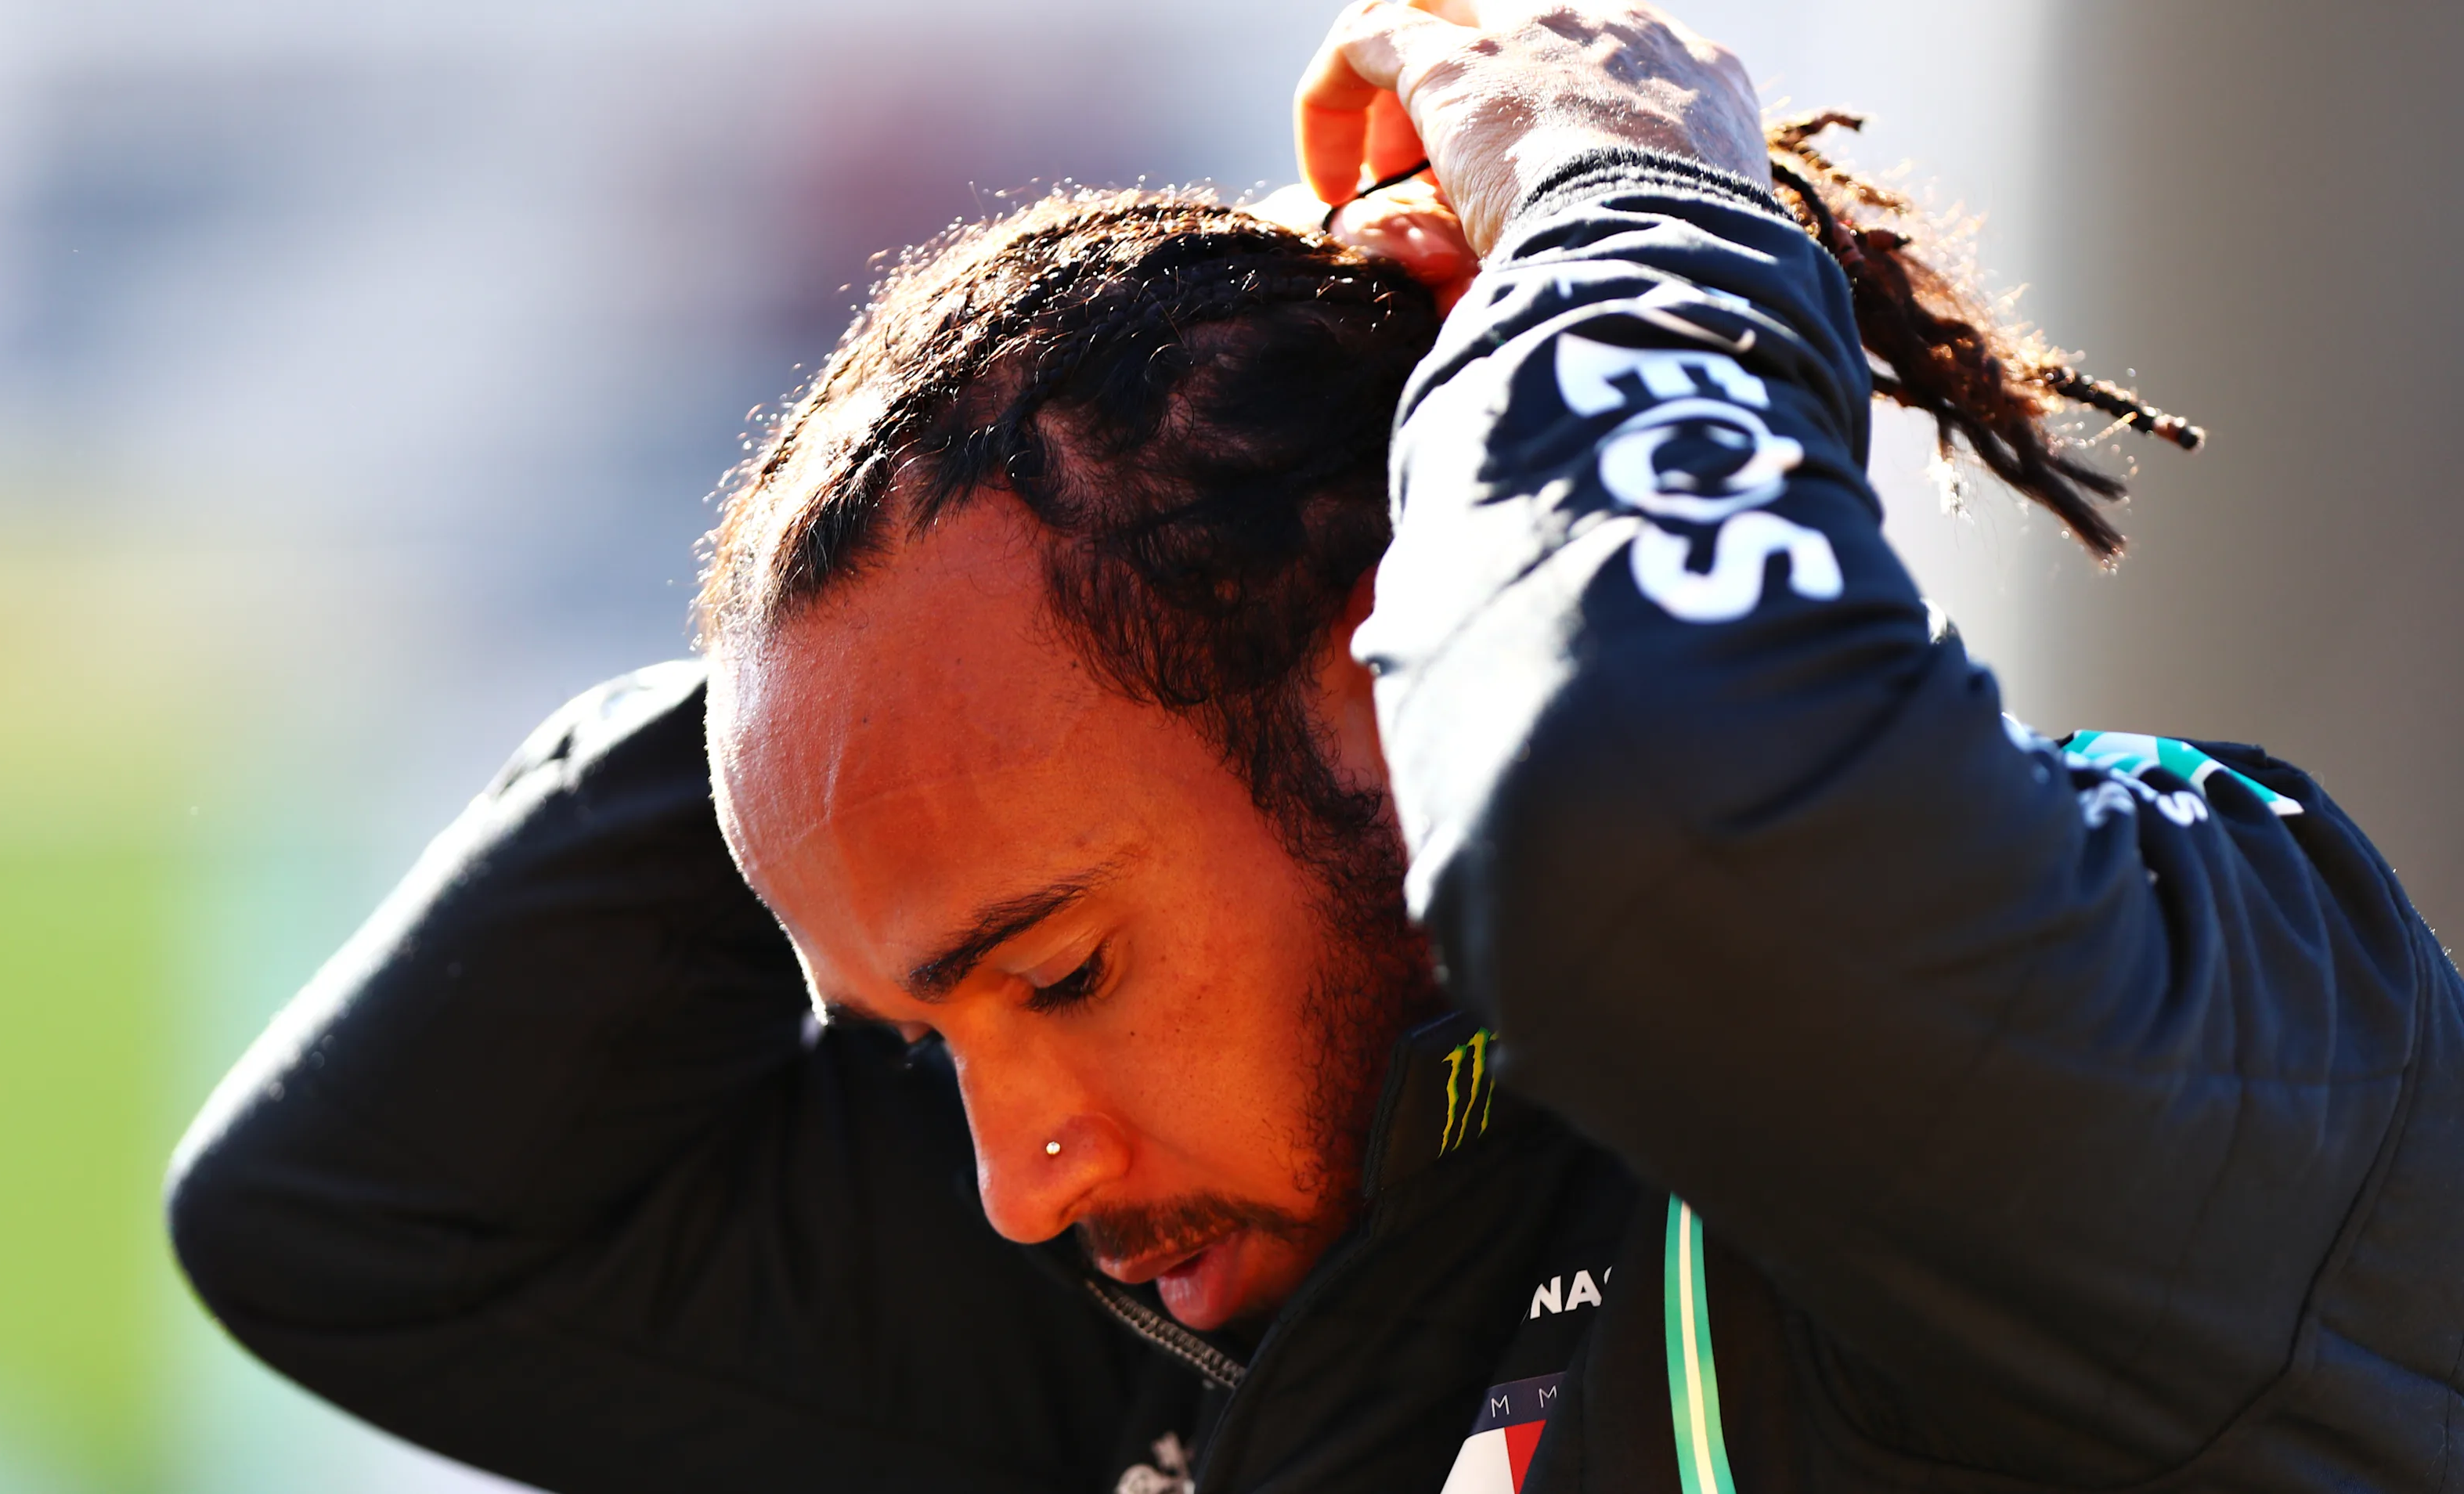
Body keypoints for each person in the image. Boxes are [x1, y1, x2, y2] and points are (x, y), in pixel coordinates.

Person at [165, 4, 2464, 1490]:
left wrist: (1619, 215)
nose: (1015, 1172)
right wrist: (1046, 514)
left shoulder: (2153, 1012)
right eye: (921, 1022)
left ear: (1398, 669)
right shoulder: (1234, 1282)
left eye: (1054, 972)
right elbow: (365, 1217)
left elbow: (1649, 836)